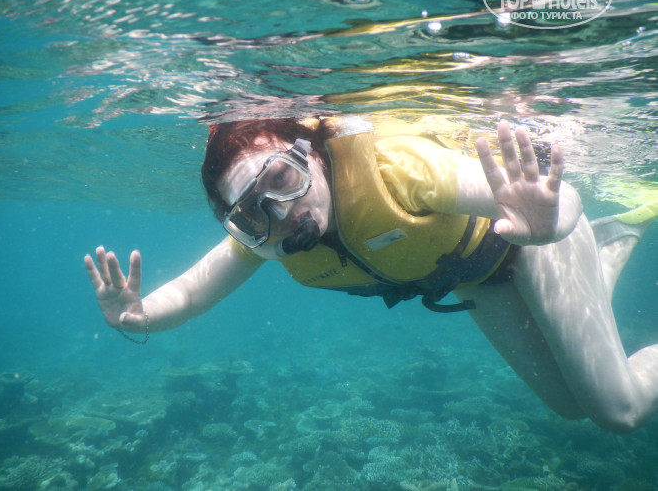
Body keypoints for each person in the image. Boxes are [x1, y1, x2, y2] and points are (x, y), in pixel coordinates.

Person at [85, 115, 658, 433]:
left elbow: (555, 198)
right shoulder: (270, 244)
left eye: (282, 179)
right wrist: (139, 315)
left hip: (534, 241)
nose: (281, 214)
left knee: (618, 410)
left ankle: (590, 249)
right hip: (481, 277)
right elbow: (191, 293)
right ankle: (606, 251)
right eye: (253, 213)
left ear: (312, 153)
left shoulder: (395, 170)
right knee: (569, 405)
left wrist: (552, 222)